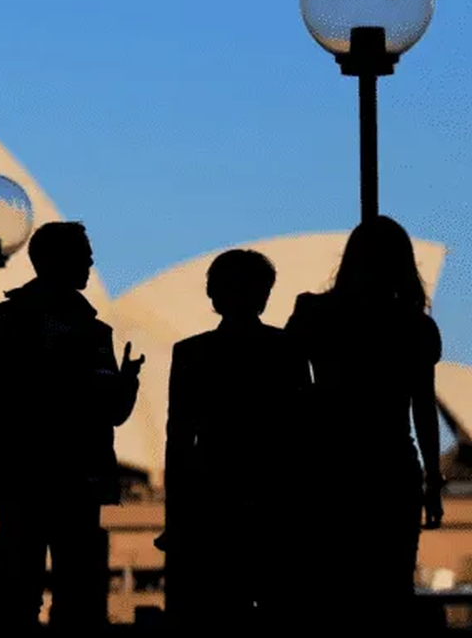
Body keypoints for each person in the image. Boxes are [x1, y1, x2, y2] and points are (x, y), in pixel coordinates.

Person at [0, 221, 144, 629]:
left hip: (43, 477)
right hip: (54, 478)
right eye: (83, 256)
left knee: (47, 594)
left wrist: (125, 383)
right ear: (55, 261)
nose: (90, 263)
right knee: (51, 594)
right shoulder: (36, 325)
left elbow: (112, 412)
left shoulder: (75, 328)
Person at [282, 215, 444, 629]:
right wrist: (432, 481)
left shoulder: (314, 312)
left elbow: (284, 382)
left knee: (332, 588)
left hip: (329, 467)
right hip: (391, 467)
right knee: (390, 588)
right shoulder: (415, 326)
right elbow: (423, 408)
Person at [157, 249, 310, 628]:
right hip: (276, 501)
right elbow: (305, 433)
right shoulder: (288, 350)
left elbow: (178, 441)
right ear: (264, 294)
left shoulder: (191, 353)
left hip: (212, 501)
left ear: (214, 294)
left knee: (218, 613)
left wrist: (175, 517)